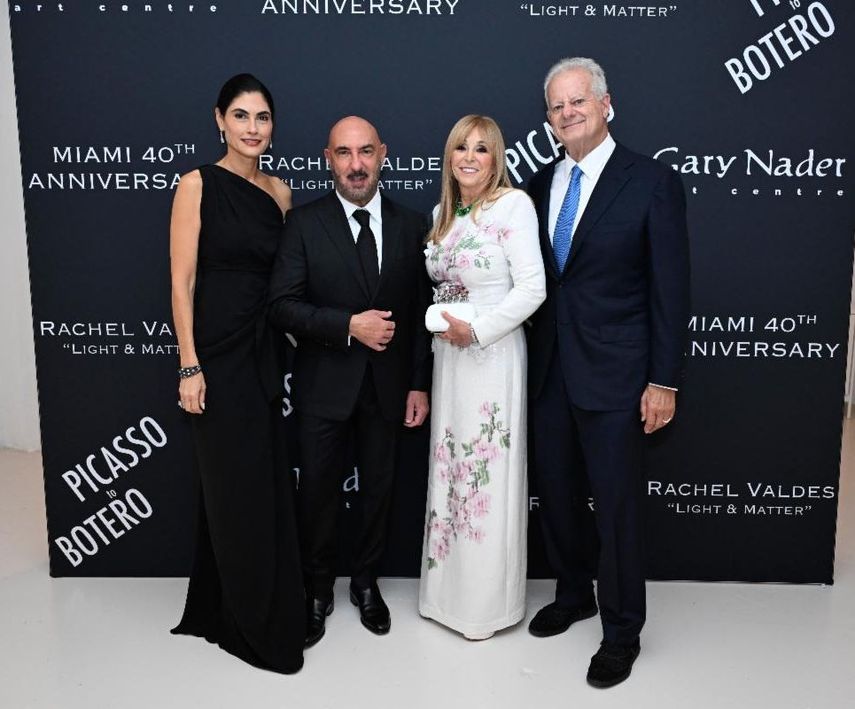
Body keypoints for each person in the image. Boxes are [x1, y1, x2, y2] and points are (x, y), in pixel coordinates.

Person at [526, 57, 690, 687]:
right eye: (557, 107)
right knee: (559, 496)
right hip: (549, 371)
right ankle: (574, 595)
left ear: (606, 104)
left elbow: (670, 290)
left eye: (578, 102)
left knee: (617, 507)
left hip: (620, 377)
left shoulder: (650, 182)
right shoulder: (540, 183)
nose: (568, 114)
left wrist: (664, 379)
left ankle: (622, 631)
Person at [268, 116, 432, 648]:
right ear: (327, 158)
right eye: (344, 153)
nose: (356, 164)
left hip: (388, 390)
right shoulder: (303, 223)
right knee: (316, 492)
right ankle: (317, 590)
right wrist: (348, 326)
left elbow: (422, 313)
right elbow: (282, 306)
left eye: (365, 152)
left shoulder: (412, 226)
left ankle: (365, 584)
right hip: (323, 388)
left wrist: (418, 384)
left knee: (379, 493)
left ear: (383, 153)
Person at [169, 73, 305, 673]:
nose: (254, 128)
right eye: (242, 116)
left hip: (265, 351)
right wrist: (189, 365)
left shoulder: (280, 193)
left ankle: (255, 600)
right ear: (219, 119)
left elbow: (287, 281)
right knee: (231, 488)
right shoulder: (196, 185)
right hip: (216, 356)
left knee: (263, 481)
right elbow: (182, 283)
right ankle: (243, 619)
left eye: (263, 117)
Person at [418, 115, 546, 640]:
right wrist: (448, 325)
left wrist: (479, 331)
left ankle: (485, 607)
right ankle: (444, 597)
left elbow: (532, 288)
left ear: (496, 160)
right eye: (460, 148)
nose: (469, 157)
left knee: (486, 473)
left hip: (492, 356)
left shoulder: (512, 206)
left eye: (482, 149)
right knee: (450, 468)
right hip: (450, 360)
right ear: (449, 157)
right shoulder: (442, 214)